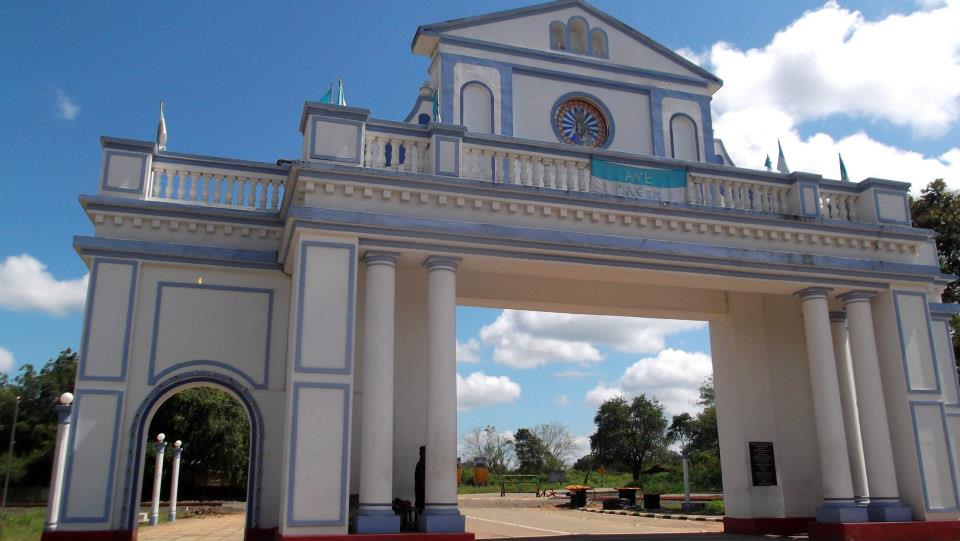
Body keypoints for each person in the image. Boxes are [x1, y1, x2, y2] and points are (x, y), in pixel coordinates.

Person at [415, 445, 426, 513]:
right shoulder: (421, 463)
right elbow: (421, 478)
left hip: (421, 489)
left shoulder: (421, 463)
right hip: (421, 489)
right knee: (420, 506)